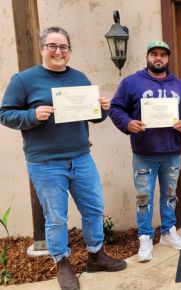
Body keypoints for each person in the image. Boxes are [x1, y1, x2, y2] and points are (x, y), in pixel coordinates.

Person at [0, 26, 126, 290]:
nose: (58, 51)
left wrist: (102, 110)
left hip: (80, 157)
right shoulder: (23, 80)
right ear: (43, 48)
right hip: (45, 163)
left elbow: (91, 116)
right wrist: (32, 116)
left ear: (69, 51)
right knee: (56, 217)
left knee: (93, 209)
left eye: (64, 47)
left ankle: (96, 255)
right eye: (53, 46)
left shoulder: (79, 78)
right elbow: (5, 114)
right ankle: (63, 264)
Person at [109, 40, 181, 262]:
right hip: (144, 152)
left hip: (172, 151)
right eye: (154, 54)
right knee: (143, 197)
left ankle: (168, 232)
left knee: (169, 195)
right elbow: (115, 108)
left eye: (163, 55)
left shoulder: (178, 86)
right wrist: (127, 123)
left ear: (168, 58)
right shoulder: (132, 83)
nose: (158, 58)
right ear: (147, 57)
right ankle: (145, 237)